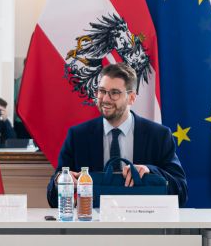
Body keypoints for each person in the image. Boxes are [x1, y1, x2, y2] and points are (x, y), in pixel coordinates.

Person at [45, 63, 186, 206]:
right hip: (92, 225)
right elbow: (52, 199)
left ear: (131, 97)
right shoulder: (77, 136)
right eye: (102, 91)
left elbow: (181, 192)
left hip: (141, 224)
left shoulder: (159, 136)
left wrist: (150, 170)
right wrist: (61, 181)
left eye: (114, 93)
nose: (105, 99)